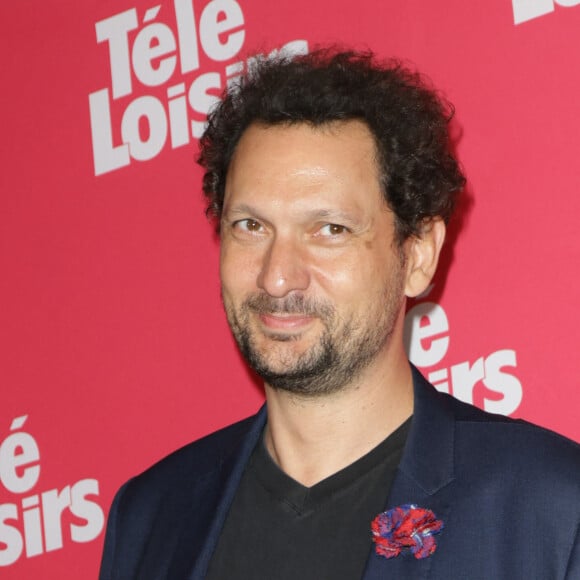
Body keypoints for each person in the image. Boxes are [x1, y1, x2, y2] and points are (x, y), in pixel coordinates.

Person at [99, 49, 580, 580]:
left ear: (417, 255)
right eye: (250, 226)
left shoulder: (550, 508)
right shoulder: (151, 516)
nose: (277, 276)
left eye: (330, 230)